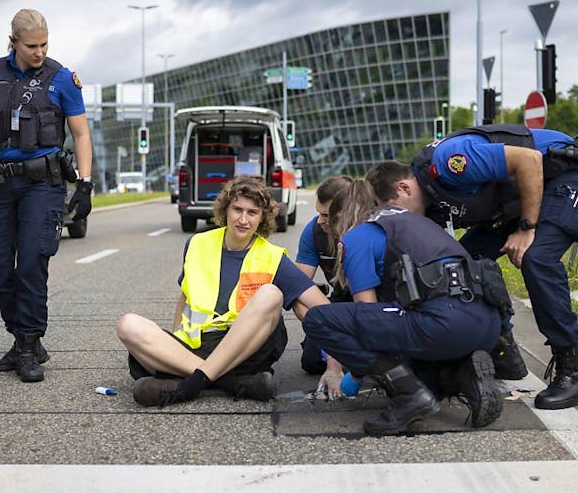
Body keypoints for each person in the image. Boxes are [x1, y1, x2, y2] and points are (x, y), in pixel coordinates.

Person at [368, 123, 578, 410]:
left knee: (537, 257)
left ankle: (574, 371)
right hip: (520, 196)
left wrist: (526, 228)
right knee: (463, 266)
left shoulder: (449, 163)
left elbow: (529, 161)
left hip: (569, 173)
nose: (395, 218)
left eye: (393, 209)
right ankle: (502, 352)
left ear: (403, 188)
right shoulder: (429, 202)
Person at [0, 9, 93, 383]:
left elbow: (80, 133)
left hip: (42, 185)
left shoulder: (62, 78)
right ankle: (23, 335)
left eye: (45, 44)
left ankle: (28, 344)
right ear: (12, 41)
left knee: (31, 262)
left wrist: (86, 184)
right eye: (31, 45)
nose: (39, 51)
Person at [303, 179, 505, 436]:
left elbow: (368, 319)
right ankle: (460, 375)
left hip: (444, 322)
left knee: (319, 319)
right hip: (487, 325)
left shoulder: (357, 236)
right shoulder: (411, 219)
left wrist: (355, 375)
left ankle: (411, 396)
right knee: (417, 367)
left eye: (330, 223)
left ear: (340, 217)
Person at [116, 176, 329, 407]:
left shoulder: (273, 256)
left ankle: (187, 385)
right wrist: (175, 341)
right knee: (127, 324)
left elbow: (322, 306)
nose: (243, 219)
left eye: (252, 212)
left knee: (272, 294)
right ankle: (229, 383)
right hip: (197, 346)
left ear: (262, 218)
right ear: (225, 209)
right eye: (237, 209)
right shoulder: (197, 243)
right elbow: (185, 297)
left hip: (243, 351)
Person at [293, 175, 353, 397]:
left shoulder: (369, 231)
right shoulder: (314, 231)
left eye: (326, 215)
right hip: (337, 300)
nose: (320, 220)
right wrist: (317, 321)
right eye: (319, 213)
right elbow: (297, 285)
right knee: (311, 361)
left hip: (374, 300)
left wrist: (335, 365)